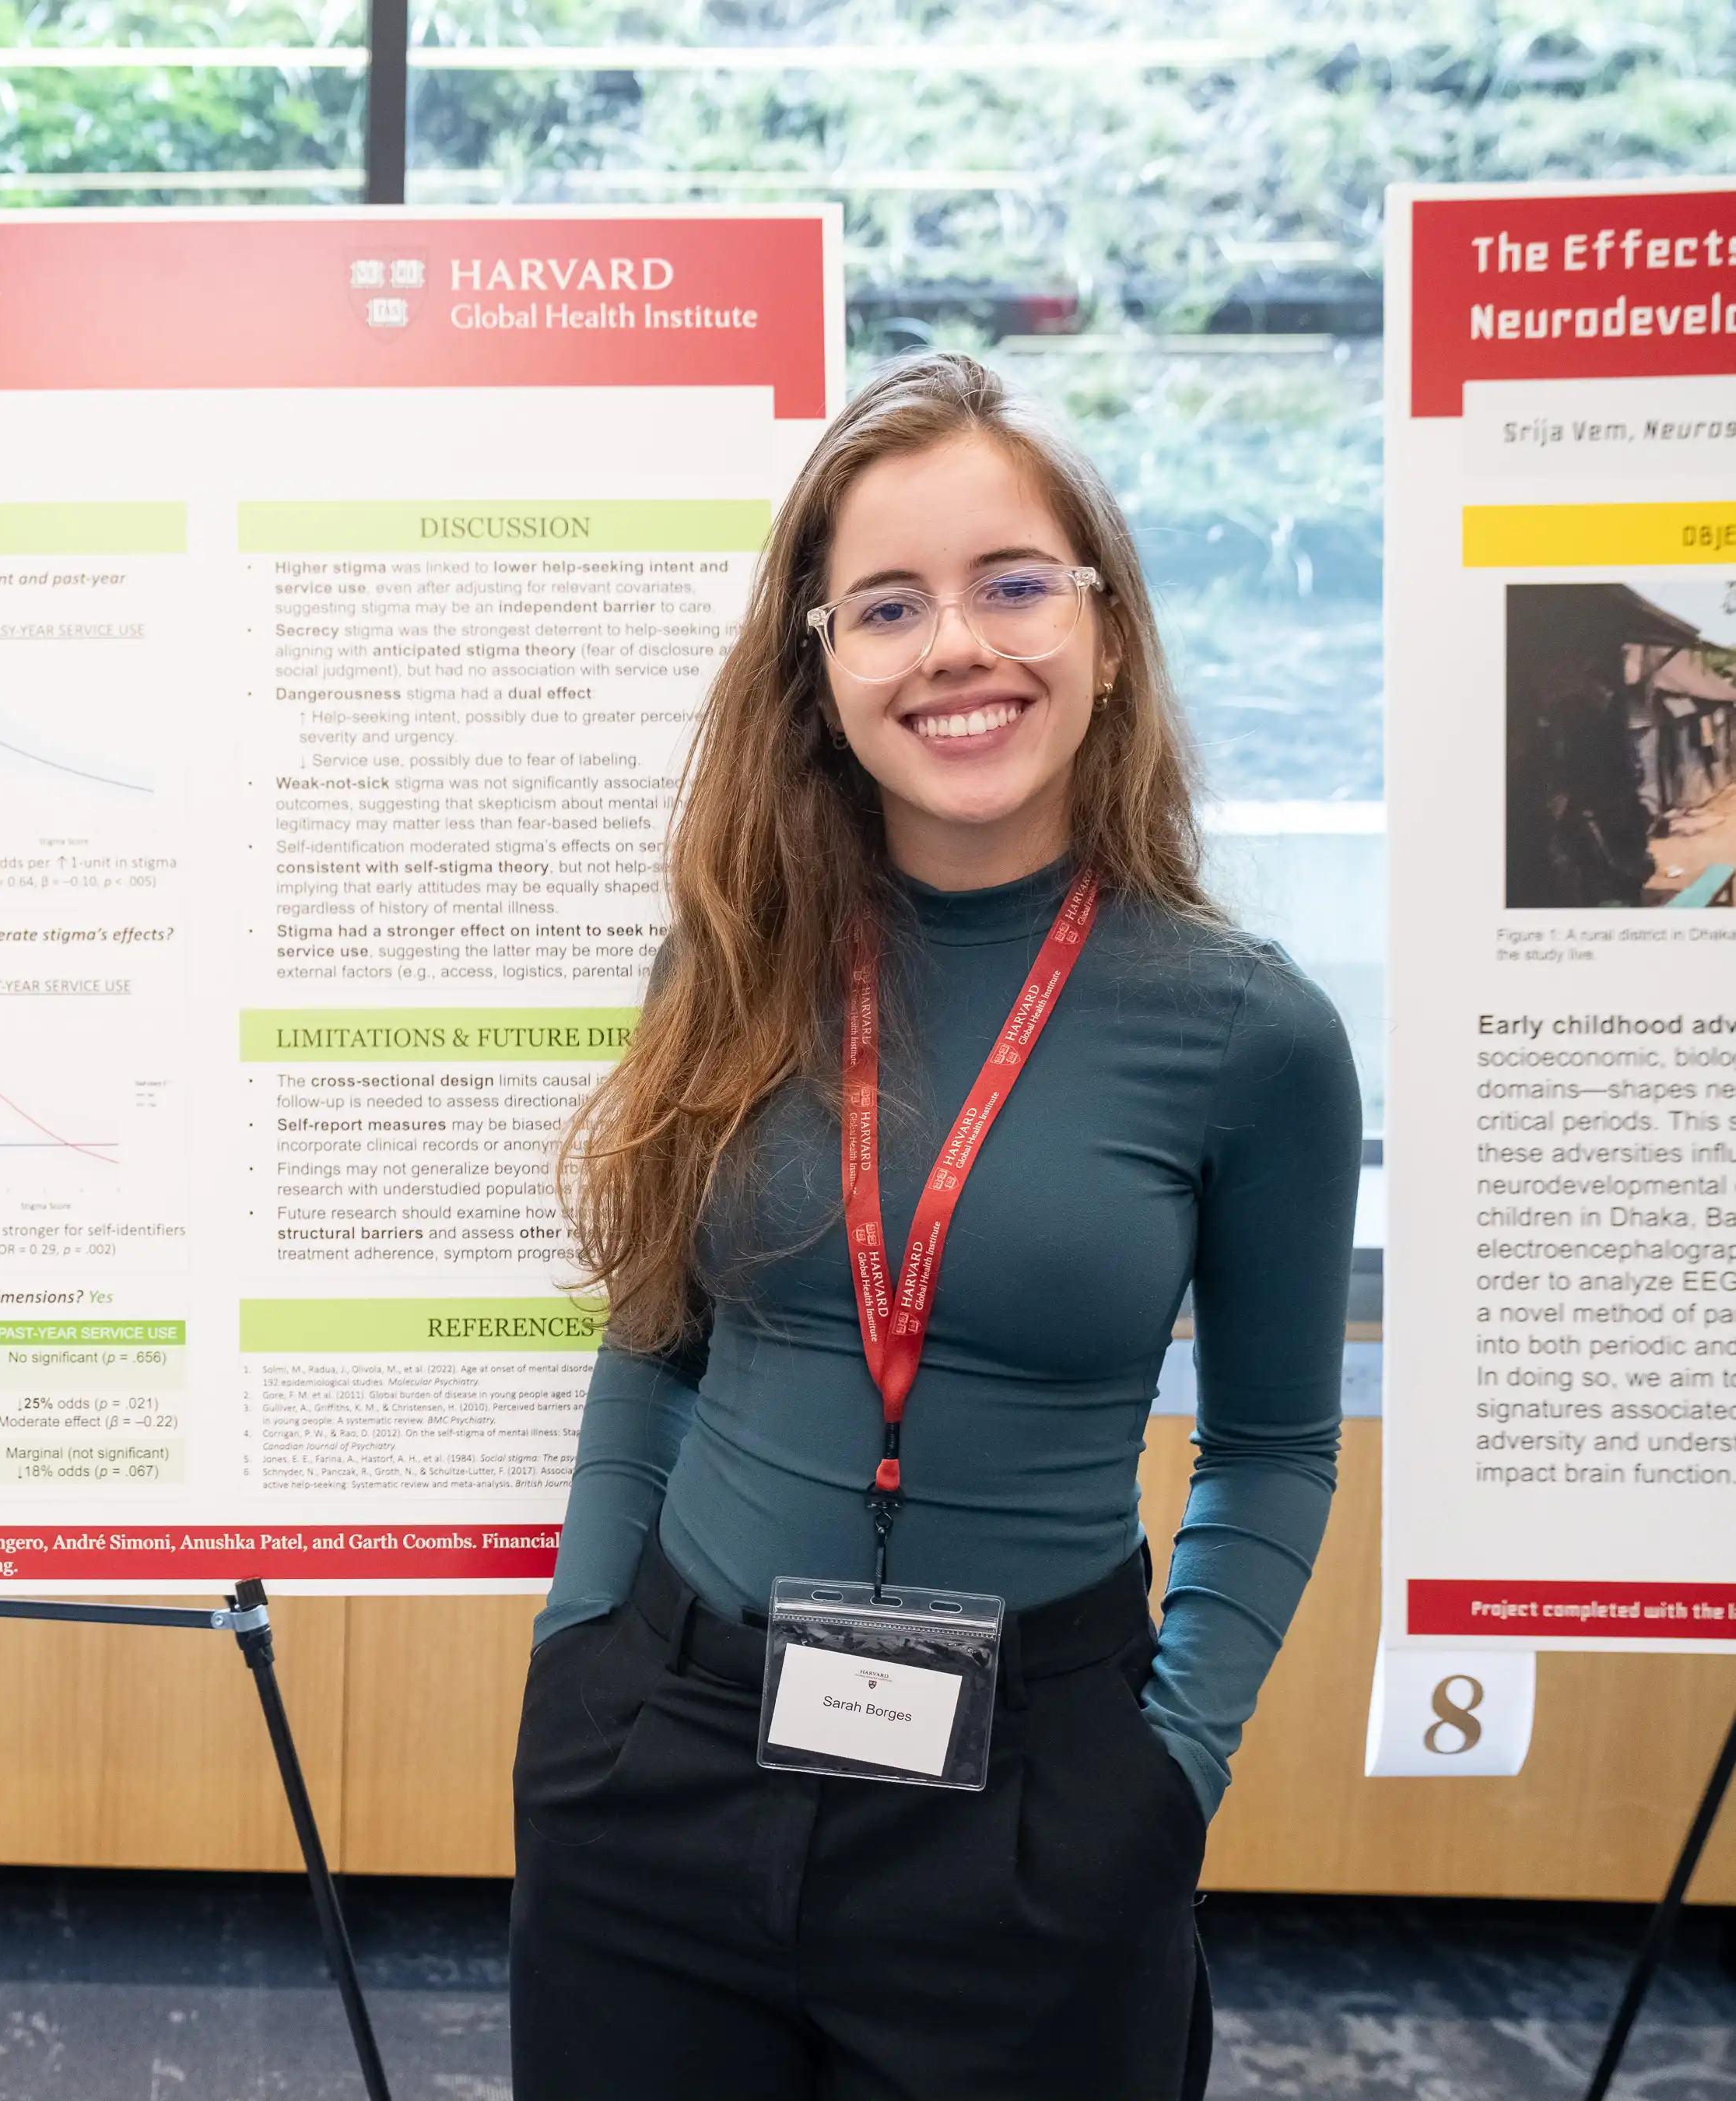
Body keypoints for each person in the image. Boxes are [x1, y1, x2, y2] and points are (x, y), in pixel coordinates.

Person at [510, 352, 1361, 2100]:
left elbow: (1273, 1449)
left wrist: (1166, 1769)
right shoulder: (735, 966)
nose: (958, 645)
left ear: (1106, 633)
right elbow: (654, 1346)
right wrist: (578, 1658)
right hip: (666, 1760)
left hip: (1038, 1811)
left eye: (1014, 583)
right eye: (887, 604)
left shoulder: (1249, 1033)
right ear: (820, 670)